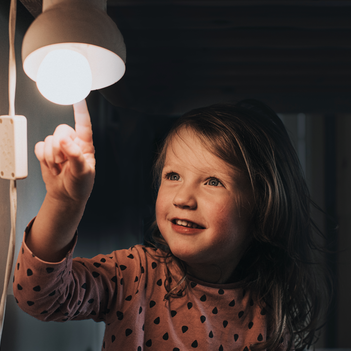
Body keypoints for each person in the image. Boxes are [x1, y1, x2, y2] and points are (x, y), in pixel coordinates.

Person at [13, 99, 329, 351]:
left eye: (213, 181)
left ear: (262, 205)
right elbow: (38, 297)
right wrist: (65, 204)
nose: (183, 198)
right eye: (173, 176)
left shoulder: (271, 316)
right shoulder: (134, 275)